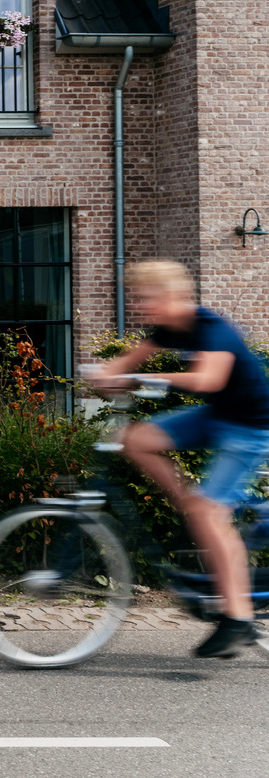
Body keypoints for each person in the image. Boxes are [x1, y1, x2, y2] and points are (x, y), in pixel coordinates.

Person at [94, 259, 269, 658]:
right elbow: (124, 363)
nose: (140, 305)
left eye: (146, 298)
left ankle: (238, 619)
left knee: (209, 515)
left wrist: (142, 379)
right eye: (137, 298)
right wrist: (103, 374)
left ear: (173, 296)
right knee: (135, 439)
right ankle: (188, 500)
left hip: (250, 427)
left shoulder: (212, 327)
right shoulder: (168, 329)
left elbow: (208, 379)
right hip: (218, 416)